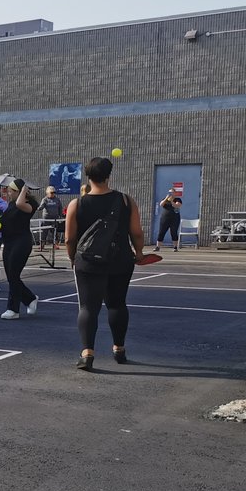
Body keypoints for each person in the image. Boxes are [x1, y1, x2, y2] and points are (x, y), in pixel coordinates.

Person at [64, 156, 145, 370]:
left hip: (88, 262)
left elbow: (69, 238)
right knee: (117, 304)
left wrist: (73, 257)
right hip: (120, 259)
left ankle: (87, 353)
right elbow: (136, 232)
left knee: (88, 307)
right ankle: (119, 348)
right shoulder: (126, 200)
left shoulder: (77, 203)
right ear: (109, 176)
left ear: (88, 176)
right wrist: (139, 252)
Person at [0, 178, 40, 320]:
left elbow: (20, 203)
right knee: (11, 276)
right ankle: (30, 299)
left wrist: (23, 190)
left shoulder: (30, 204)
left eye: (11, 191)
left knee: (14, 275)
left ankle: (13, 309)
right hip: (8, 242)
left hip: (21, 242)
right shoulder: (11, 204)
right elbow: (6, 220)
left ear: (20, 191)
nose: (8, 193)